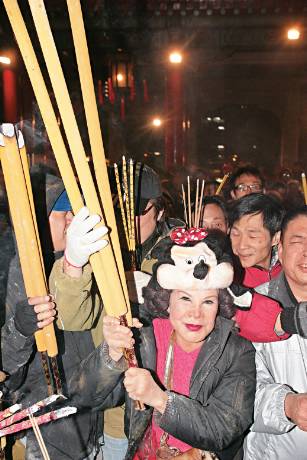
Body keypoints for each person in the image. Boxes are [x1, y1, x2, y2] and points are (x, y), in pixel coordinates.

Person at [68, 228, 256, 460]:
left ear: (220, 305)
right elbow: (84, 397)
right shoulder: (146, 337)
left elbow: (224, 429)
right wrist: (113, 353)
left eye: (208, 301)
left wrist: (160, 399)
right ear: (167, 302)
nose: (195, 314)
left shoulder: (236, 351)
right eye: (185, 298)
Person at [2, 168, 107, 460]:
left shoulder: (87, 262)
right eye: (64, 213)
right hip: (44, 424)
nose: (73, 219)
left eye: (75, 211)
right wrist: (20, 329)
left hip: (91, 413)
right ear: (36, 220)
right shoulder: (19, 269)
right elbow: (8, 365)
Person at [244, 206, 307, 459]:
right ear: (279, 249)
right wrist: (287, 405)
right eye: (297, 241)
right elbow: (240, 390)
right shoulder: (254, 305)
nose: (306, 252)